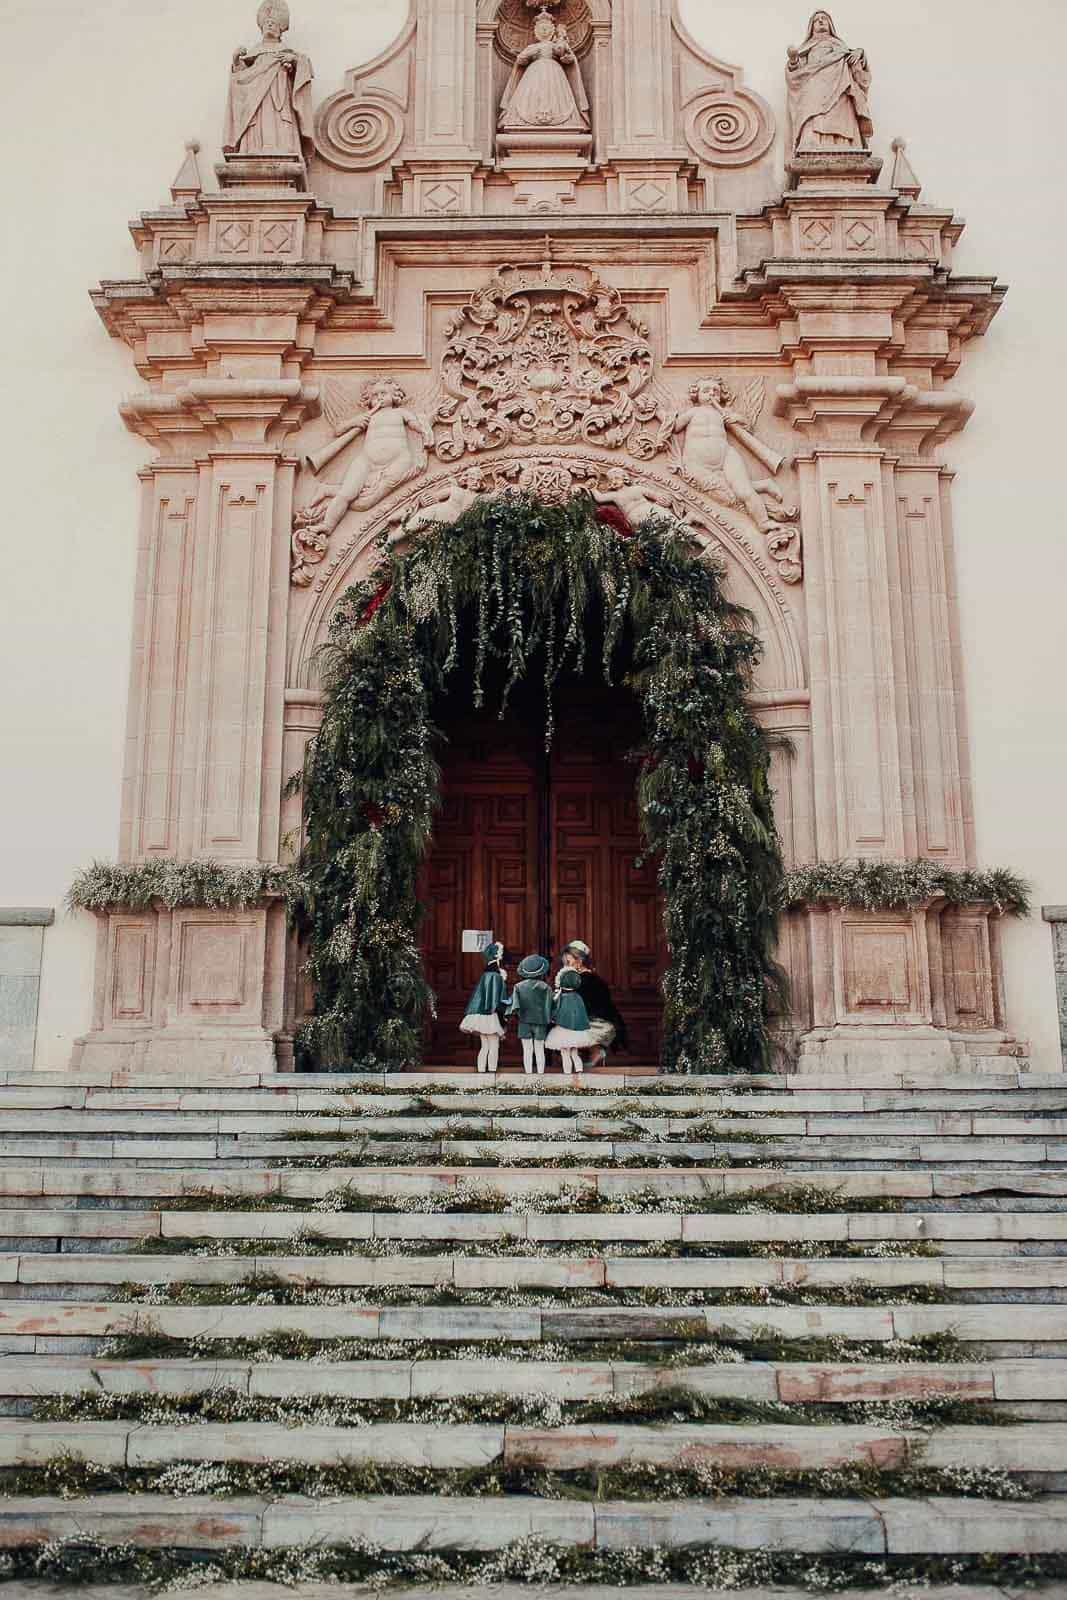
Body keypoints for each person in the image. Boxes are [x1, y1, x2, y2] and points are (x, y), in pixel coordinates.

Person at [785, 11, 873, 156]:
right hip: (815, 86)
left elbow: (855, 68)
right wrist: (793, 60)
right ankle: (812, 141)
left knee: (842, 111)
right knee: (813, 111)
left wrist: (860, 54)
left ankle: (845, 143)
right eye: (816, 20)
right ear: (811, 27)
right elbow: (797, 74)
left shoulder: (841, 47)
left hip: (840, 85)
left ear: (830, 24)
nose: (820, 22)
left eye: (824, 19)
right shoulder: (806, 48)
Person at [498, 10, 590, 133]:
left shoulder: (556, 45)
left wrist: (563, 41)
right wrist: (528, 55)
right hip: (534, 72)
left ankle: (562, 120)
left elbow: (566, 57)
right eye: (541, 28)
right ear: (536, 31)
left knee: (554, 92)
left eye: (546, 28)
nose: (544, 30)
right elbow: (520, 61)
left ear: (552, 30)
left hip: (555, 73)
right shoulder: (532, 47)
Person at [560, 940, 629, 1069]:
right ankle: (588, 1055)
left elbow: (587, 1007)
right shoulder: (583, 978)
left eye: (568, 962)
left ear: (579, 960)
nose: (565, 965)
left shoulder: (587, 980)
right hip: (594, 1019)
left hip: (599, 1024)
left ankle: (594, 1052)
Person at [459, 943, 509, 1075]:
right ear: (497, 957)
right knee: (494, 1045)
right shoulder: (495, 976)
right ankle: (491, 1072)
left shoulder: (485, 975)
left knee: (485, 1045)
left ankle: (481, 1071)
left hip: (481, 1015)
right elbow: (496, 999)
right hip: (491, 1014)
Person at [545, 968, 599, 1077]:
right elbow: (582, 1014)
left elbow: (555, 1010)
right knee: (574, 1052)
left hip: (563, 1029)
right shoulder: (578, 998)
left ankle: (567, 1072)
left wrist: (552, 1018)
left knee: (565, 1053)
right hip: (576, 1031)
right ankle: (579, 1070)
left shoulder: (561, 998)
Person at [507, 955, 554, 1076]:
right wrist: (549, 1019)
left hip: (524, 1021)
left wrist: (515, 1015)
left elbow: (515, 1006)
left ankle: (528, 1074)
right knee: (539, 1049)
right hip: (541, 1022)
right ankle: (540, 1074)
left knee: (527, 1049)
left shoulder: (518, 987)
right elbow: (549, 1006)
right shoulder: (546, 988)